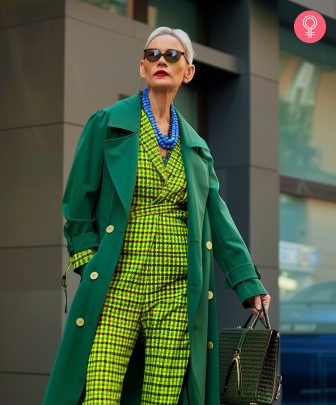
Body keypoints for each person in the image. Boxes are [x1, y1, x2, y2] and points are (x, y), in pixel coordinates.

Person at [42, 26, 271, 405]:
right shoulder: (108, 124)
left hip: (176, 291)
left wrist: (248, 282)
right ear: (142, 69)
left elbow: (219, 219)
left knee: (162, 398)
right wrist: (88, 261)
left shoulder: (197, 149)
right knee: (98, 393)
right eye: (152, 55)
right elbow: (78, 202)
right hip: (117, 285)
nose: (161, 61)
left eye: (172, 55)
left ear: (189, 71)